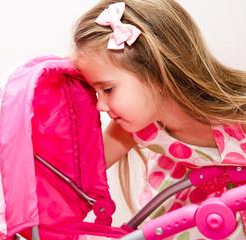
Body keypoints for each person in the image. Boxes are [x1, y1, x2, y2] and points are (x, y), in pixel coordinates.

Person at [72, 0, 246, 239]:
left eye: (108, 90)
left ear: (157, 70)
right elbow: (77, 178)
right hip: (187, 223)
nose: (100, 106)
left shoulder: (238, 112)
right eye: (96, 92)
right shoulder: (133, 128)